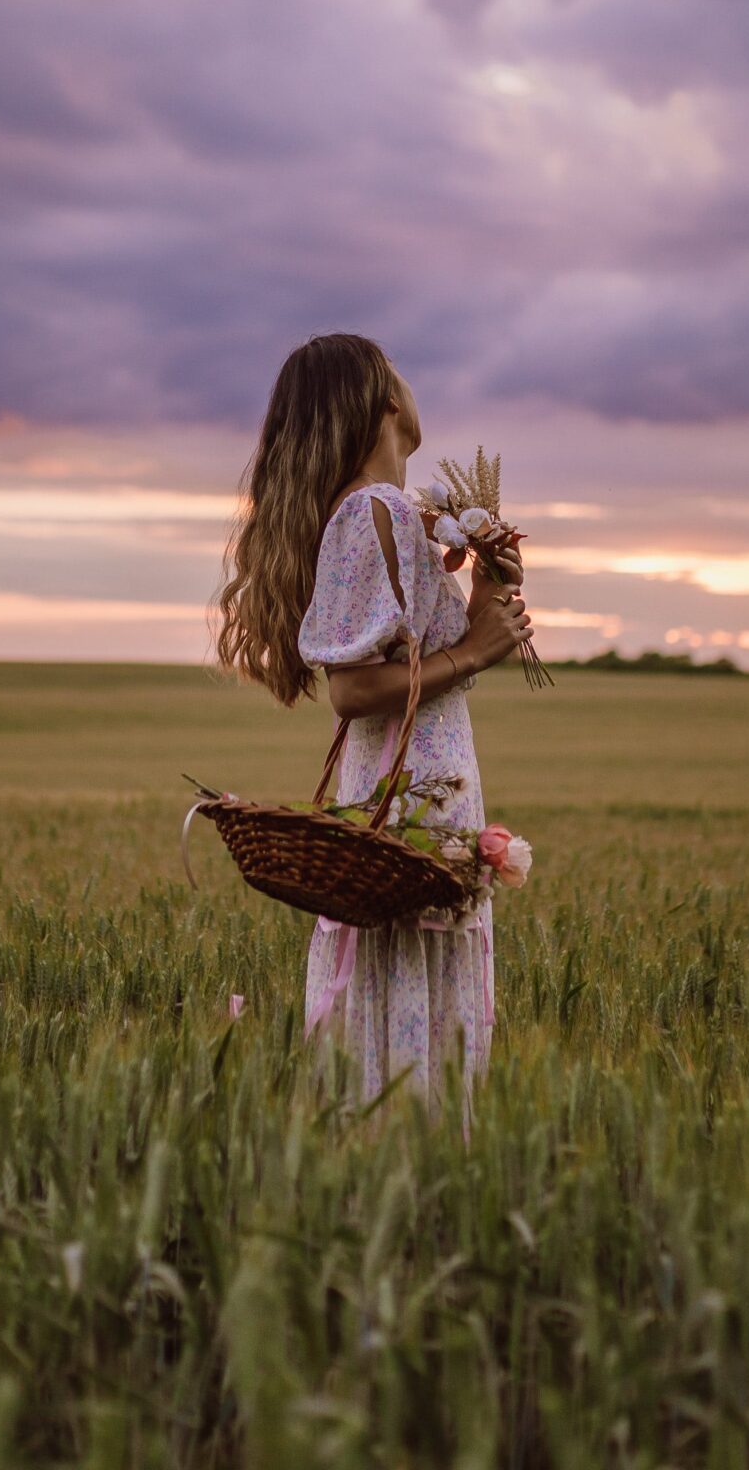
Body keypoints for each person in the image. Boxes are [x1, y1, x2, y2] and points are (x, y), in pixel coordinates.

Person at [214, 332, 534, 1117]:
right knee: (409, 1018)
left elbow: (413, 660)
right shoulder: (373, 510)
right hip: (410, 799)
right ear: (386, 400)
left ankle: (380, 1188)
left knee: (401, 1000)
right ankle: (404, 1188)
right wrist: (479, 653)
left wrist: (489, 595)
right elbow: (354, 691)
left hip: (412, 788)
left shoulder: (381, 514)